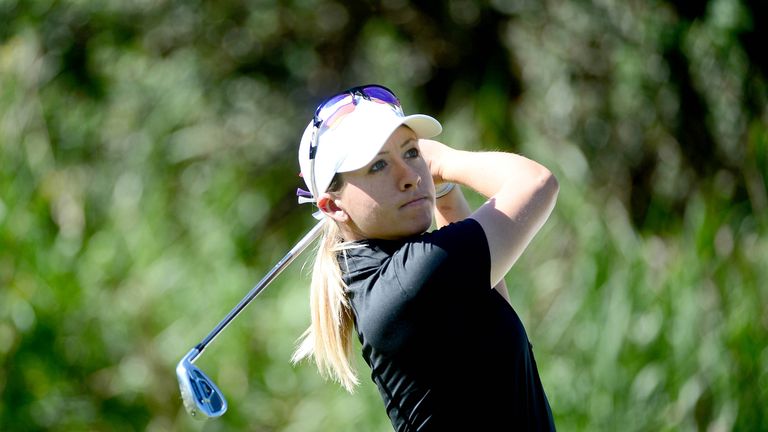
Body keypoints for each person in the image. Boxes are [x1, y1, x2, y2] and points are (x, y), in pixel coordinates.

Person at [291, 84, 559, 431]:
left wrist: (442, 191)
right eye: (378, 166)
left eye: (411, 153)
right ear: (332, 206)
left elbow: (490, 297)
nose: (409, 177)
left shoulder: (384, 274)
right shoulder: (414, 278)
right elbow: (537, 182)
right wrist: (444, 160)